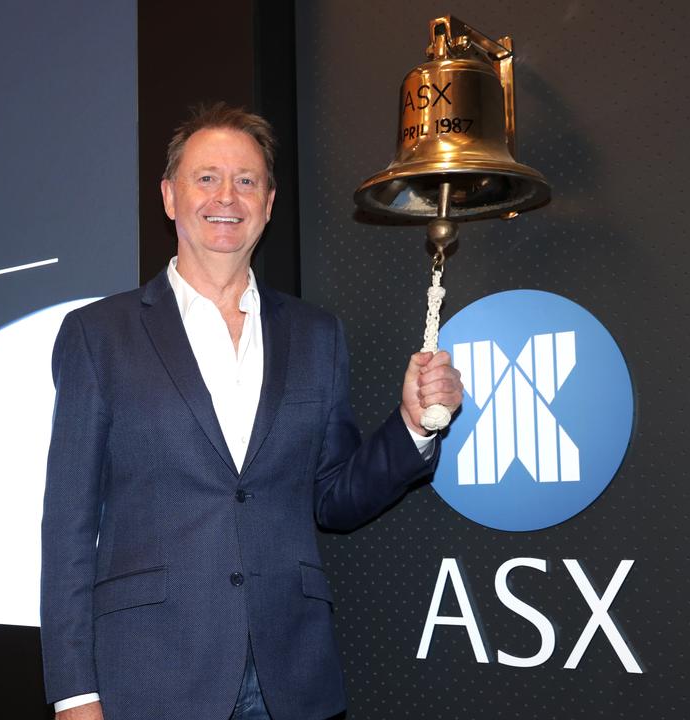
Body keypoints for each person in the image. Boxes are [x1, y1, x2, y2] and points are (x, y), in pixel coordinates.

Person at [41, 103, 463, 720]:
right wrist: (75, 693)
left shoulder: (317, 335)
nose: (226, 197)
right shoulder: (97, 334)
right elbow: (69, 527)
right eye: (205, 177)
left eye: (247, 181)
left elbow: (334, 498)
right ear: (169, 196)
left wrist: (409, 426)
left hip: (291, 677)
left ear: (268, 202)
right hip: (150, 679)